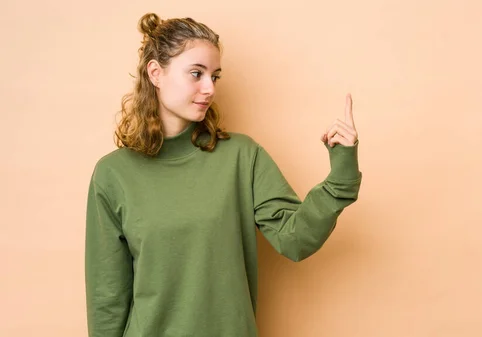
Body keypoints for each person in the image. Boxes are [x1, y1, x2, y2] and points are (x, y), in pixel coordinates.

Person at [85, 12, 362, 337]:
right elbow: (107, 298)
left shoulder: (241, 157)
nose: (209, 88)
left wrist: (341, 173)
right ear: (156, 73)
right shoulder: (113, 174)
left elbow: (295, 240)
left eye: (214, 76)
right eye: (196, 73)